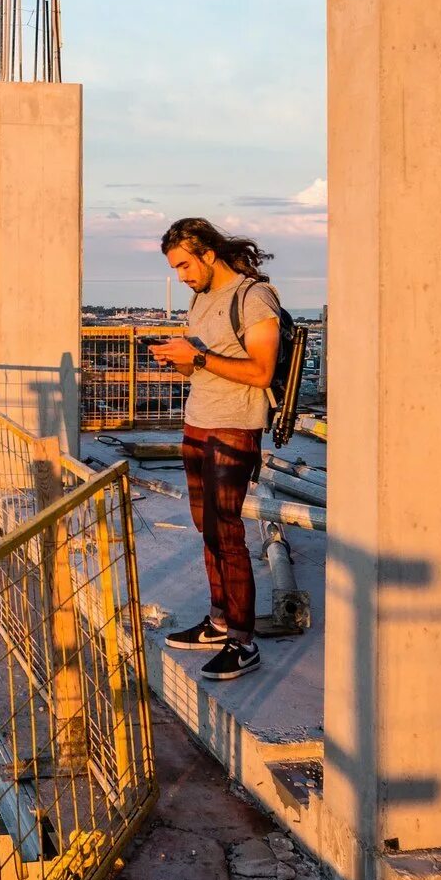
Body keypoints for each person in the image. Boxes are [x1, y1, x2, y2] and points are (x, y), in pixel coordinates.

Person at [147, 219, 282, 681]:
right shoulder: (201, 297)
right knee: (206, 528)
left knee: (227, 533)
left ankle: (242, 642)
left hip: (234, 428)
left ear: (207, 252)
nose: (181, 275)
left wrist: (199, 357)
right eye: (175, 268)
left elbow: (262, 372)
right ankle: (218, 620)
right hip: (198, 422)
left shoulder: (254, 297)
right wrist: (180, 361)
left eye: (185, 264)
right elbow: (201, 369)